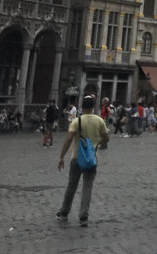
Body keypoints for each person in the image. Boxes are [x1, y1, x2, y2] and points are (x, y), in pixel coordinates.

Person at [56, 95, 109, 227]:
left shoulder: (76, 121)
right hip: (92, 159)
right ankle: (83, 216)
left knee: (71, 186)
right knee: (87, 187)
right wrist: (95, 144)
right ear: (93, 106)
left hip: (76, 158)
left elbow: (68, 140)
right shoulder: (99, 121)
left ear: (82, 106)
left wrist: (61, 157)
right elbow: (106, 138)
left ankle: (64, 212)